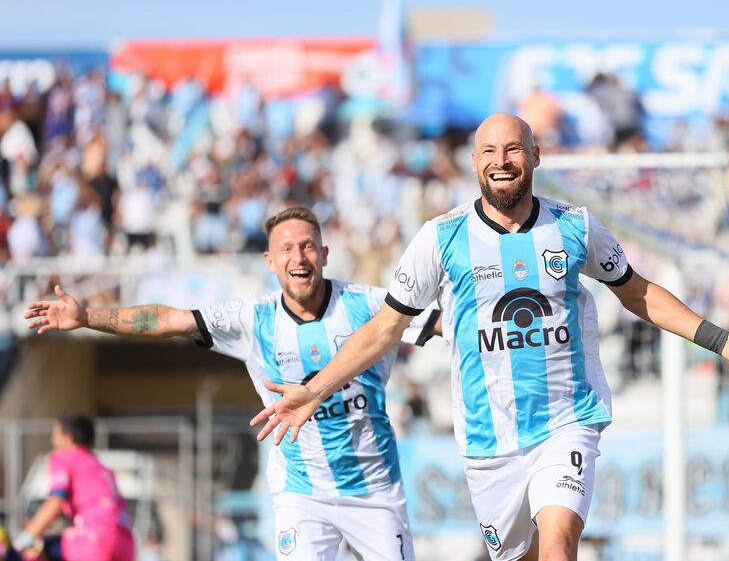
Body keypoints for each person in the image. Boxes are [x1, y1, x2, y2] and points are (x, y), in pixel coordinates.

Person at [251, 114, 729, 561]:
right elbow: (386, 328)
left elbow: (637, 293)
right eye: (489, 151)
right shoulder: (440, 239)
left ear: (535, 157)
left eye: (513, 149)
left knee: (558, 549)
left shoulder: (575, 227)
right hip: (489, 444)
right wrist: (317, 387)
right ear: (474, 164)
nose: (502, 161)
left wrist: (720, 339)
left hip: (566, 421)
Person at [24, 206, 439, 561]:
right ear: (269, 261)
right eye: (287, 249)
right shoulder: (251, 318)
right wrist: (88, 317)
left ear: (325, 254)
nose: (300, 257)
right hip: (302, 493)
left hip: (375, 488)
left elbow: (445, 322)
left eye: (308, 246)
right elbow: (169, 320)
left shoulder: (368, 305)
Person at [9, 415, 134, 561]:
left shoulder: (65, 457)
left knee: (19, 555)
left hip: (93, 540)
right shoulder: (100, 465)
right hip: (125, 543)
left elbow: (55, 502)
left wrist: (23, 540)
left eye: (55, 434)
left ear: (68, 437)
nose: (51, 439)